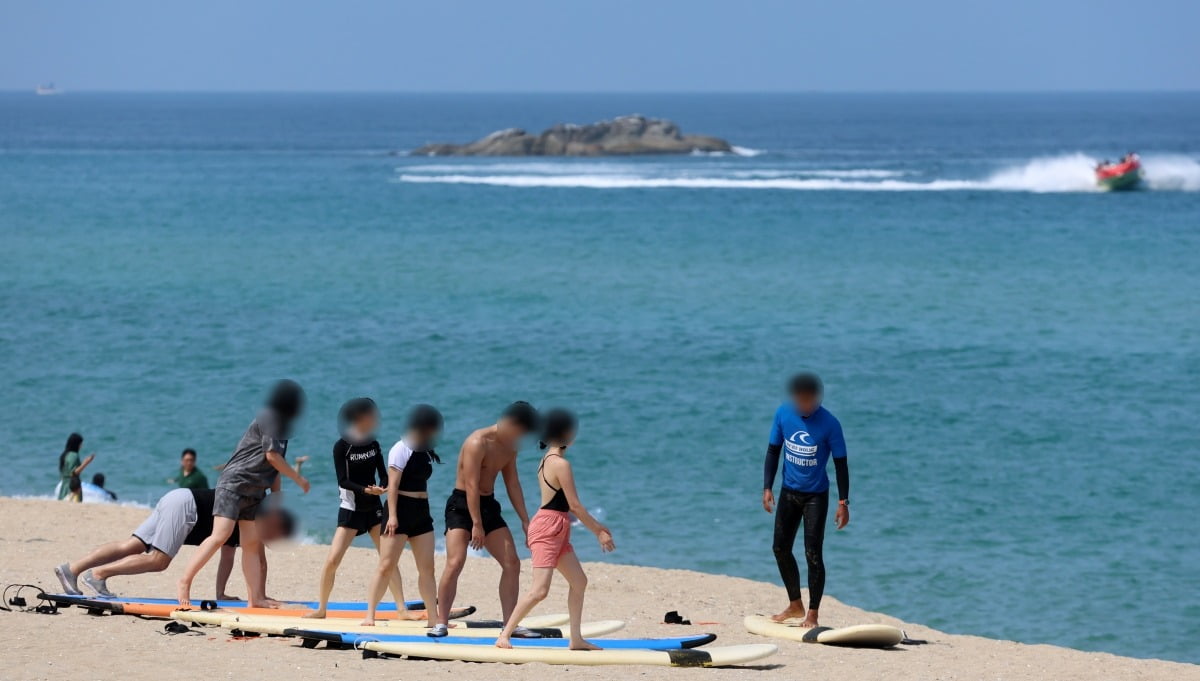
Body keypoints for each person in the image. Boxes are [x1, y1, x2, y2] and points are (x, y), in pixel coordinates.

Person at [175, 379, 310, 607]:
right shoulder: (270, 417)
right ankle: (184, 582)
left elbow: (274, 467)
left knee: (250, 544)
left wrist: (276, 500)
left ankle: (255, 598)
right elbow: (272, 457)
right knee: (221, 535)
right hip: (235, 483)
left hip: (255, 491)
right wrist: (298, 479)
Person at [495, 409, 614, 650]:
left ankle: (576, 639)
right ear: (566, 434)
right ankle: (504, 635)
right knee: (539, 591)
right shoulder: (560, 464)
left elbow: (565, 507)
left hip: (556, 527)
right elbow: (575, 506)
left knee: (579, 581)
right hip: (549, 528)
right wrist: (599, 531)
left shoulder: (547, 460)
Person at [54, 487, 296, 597]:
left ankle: (71, 569)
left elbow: (227, 557)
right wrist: (260, 598)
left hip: (178, 497)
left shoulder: (245, 519)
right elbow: (260, 563)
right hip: (186, 507)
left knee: (132, 545)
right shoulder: (252, 520)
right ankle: (98, 575)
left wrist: (220, 594)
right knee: (159, 561)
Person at [430, 401, 539, 638]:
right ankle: (441, 623)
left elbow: (512, 483)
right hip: (461, 506)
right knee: (455, 562)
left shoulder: (510, 448)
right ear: (511, 422)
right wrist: (476, 524)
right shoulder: (477, 442)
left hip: (489, 506)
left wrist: (525, 519)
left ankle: (510, 624)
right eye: (521, 431)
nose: (521, 437)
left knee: (512, 562)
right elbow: (471, 484)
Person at [304, 398, 413, 619]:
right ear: (360, 418)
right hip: (351, 509)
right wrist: (365, 490)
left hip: (374, 509)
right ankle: (321, 609)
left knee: (387, 559)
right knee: (333, 560)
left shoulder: (373, 443)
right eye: (372, 415)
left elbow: (383, 473)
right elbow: (343, 480)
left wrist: (382, 486)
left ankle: (402, 609)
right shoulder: (342, 446)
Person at [762, 372, 850, 627]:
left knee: (813, 554)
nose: (806, 406)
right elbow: (773, 450)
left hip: (815, 496)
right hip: (789, 492)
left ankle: (812, 613)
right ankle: (795, 604)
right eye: (801, 401)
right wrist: (767, 487)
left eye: (811, 401)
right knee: (779, 548)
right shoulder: (783, 414)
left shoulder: (830, 424)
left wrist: (843, 502)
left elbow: (841, 464)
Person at [362, 404, 445, 626]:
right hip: (399, 510)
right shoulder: (401, 447)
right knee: (386, 565)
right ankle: (370, 615)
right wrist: (392, 516)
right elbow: (393, 484)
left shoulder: (425, 449)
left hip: (422, 512)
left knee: (427, 568)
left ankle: (433, 619)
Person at [57, 433, 95, 500]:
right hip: (72, 486)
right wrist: (86, 462)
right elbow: (74, 473)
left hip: (64, 485)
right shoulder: (74, 455)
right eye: (80, 444)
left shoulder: (65, 455)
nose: (81, 446)